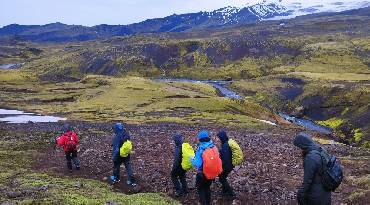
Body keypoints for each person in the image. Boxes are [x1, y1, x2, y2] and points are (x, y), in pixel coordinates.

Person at [293, 132, 331, 205]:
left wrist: (301, 193)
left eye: (299, 146)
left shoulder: (311, 157)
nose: (299, 149)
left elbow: (308, 180)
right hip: (326, 192)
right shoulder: (320, 150)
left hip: (315, 195)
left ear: (303, 144)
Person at [191, 130, 215, 205]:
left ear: (200, 138)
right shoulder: (213, 146)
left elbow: (198, 164)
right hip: (212, 173)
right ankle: (208, 202)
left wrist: (191, 159)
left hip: (202, 173)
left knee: (200, 188)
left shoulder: (201, 148)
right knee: (207, 187)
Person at [217, 130, 236, 199]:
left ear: (221, 137)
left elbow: (225, 159)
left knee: (222, 179)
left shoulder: (225, 146)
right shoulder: (226, 143)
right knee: (223, 177)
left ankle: (231, 193)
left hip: (227, 166)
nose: (217, 139)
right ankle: (224, 191)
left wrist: (219, 166)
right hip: (229, 165)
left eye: (218, 137)